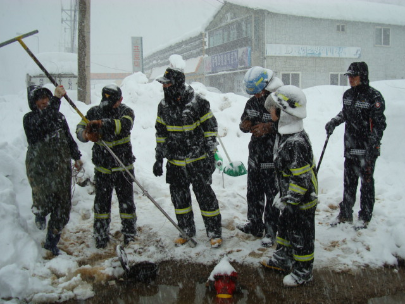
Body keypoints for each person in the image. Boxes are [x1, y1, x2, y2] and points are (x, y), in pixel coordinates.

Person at [153, 67, 222, 248]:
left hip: (197, 161)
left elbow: (210, 129)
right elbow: (160, 133)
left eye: (167, 83)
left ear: (177, 84)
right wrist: (159, 158)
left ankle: (214, 232)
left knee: (206, 198)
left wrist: (209, 154)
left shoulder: (199, 103)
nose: (164, 87)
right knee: (180, 200)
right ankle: (185, 230)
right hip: (175, 162)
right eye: (163, 84)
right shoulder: (163, 106)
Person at [261, 85, 318, 287]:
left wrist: (292, 199)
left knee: (301, 236)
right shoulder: (285, 135)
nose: (270, 111)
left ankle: (303, 271)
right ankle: (283, 258)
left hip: (302, 199)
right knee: (284, 229)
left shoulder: (296, 142)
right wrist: (283, 196)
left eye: (274, 108)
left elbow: (301, 178)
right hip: (289, 196)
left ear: (285, 112)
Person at [325, 62, 387, 230]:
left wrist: (374, 140)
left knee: (366, 183)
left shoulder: (374, 97)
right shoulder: (348, 95)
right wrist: (334, 122)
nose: (350, 79)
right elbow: (345, 113)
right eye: (349, 76)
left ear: (363, 76)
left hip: (367, 148)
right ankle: (345, 213)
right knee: (349, 182)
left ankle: (365, 216)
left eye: (353, 76)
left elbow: (380, 123)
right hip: (350, 146)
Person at [24, 85, 83, 256]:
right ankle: (40, 213)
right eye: (40, 99)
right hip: (41, 170)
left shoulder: (58, 117)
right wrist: (57, 100)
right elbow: (44, 123)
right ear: (33, 102)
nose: (44, 101)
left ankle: (51, 242)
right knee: (44, 201)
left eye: (47, 98)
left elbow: (67, 137)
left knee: (63, 208)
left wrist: (76, 155)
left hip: (61, 169)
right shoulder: (30, 119)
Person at [76, 84, 137, 248]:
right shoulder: (93, 112)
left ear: (121, 100)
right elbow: (79, 128)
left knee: (127, 204)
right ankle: (101, 235)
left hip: (123, 168)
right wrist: (86, 134)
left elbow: (124, 125)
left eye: (114, 101)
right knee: (101, 205)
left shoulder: (126, 112)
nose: (110, 104)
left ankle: (129, 233)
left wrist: (102, 124)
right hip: (103, 169)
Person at [237, 66, 283, 247]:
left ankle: (271, 231)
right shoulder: (251, 103)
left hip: (272, 155)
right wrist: (244, 125)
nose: (256, 96)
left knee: (272, 194)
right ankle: (255, 224)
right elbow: (243, 122)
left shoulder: (277, 101)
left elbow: (289, 125)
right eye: (253, 93)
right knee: (253, 192)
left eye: (258, 92)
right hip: (255, 154)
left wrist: (269, 127)